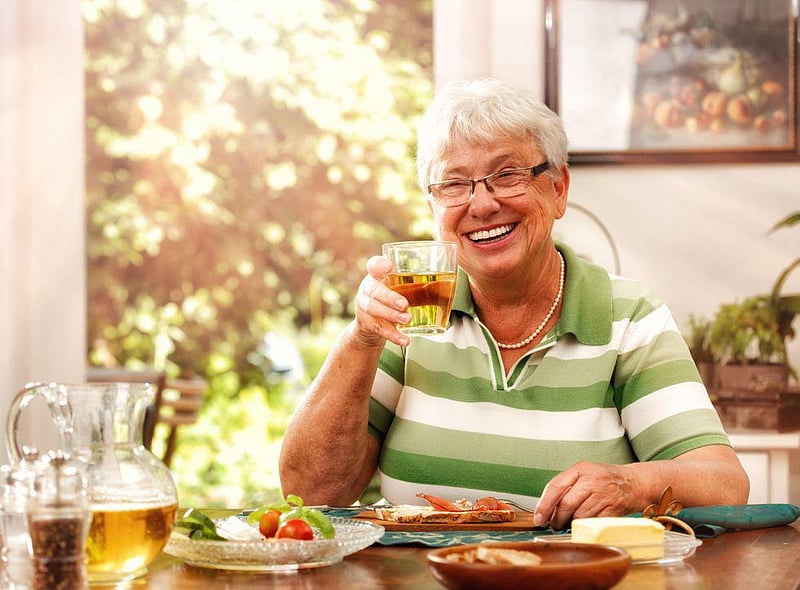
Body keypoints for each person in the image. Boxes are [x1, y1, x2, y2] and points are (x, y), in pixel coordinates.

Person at [279, 78, 749, 529]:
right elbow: (312, 492)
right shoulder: (412, 309)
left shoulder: (627, 317)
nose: (482, 205)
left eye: (507, 175)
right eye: (454, 184)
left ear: (558, 189)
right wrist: (359, 339)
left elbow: (723, 484)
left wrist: (632, 483)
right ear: (433, 207)